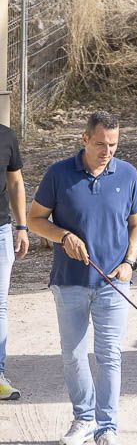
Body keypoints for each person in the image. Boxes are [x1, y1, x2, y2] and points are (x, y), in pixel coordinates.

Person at [27, 112, 137, 445]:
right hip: (69, 282)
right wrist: (62, 236)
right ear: (84, 139)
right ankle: (84, 419)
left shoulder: (128, 174)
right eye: (100, 144)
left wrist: (130, 263)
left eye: (113, 144)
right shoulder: (58, 174)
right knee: (74, 354)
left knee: (110, 355)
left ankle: (107, 427)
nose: (107, 151)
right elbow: (36, 219)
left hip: (113, 283)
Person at [0, 121, 25, 401]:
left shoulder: (6, 136)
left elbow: (16, 181)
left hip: (1, 231)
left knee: (0, 305)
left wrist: (21, 226)